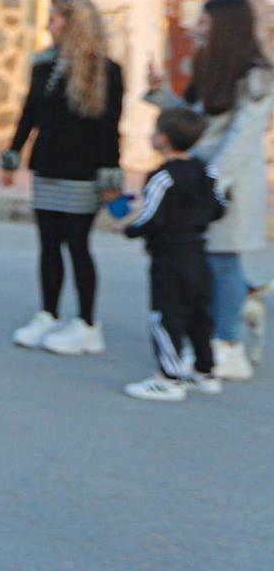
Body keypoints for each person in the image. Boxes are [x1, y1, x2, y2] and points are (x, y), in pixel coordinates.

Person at [145, 0, 270, 381]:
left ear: (226, 28)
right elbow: (196, 121)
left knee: (223, 261)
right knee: (208, 263)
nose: (197, 28)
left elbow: (242, 137)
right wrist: (160, 94)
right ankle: (231, 319)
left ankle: (228, 345)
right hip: (204, 182)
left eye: (205, 23)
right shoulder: (213, 68)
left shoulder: (256, 77)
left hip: (228, 185)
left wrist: (210, 182)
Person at [1, 0, 124, 355]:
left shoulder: (106, 71)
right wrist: (12, 155)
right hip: (47, 168)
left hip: (83, 172)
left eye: (53, 19)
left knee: (77, 245)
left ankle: (87, 324)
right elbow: (29, 115)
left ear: (73, 25)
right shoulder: (43, 66)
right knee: (48, 244)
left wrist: (110, 178)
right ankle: (48, 314)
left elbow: (109, 128)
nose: (47, 26)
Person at [118, 107, 227, 401]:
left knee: (165, 315)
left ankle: (169, 377)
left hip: (169, 256)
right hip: (197, 251)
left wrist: (127, 227)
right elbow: (218, 207)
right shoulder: (206, 170)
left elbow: (149, 217)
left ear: (163, 139)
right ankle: (206, 371)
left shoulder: (161, 177)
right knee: (198, 314)